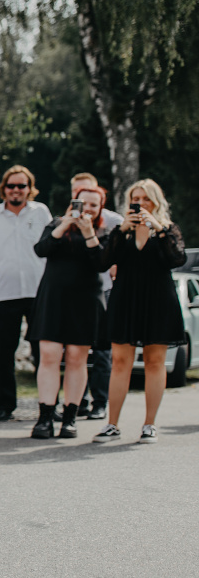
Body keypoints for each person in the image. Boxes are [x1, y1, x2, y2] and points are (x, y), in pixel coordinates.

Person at [94, 179, 186, 445]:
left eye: (146, 199)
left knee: (154, 362)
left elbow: (177, 258)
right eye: (136, 199)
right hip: (126, 299)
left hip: (159, 301)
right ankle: (112, 424)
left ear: (156, 201)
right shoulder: (122, 231)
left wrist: (157, 228)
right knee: (120, 363)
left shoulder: (167, 229)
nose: (141, 204)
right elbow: (102, 261)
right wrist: (121, 230)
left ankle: (149, 425)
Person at [29, 186, 111, 439]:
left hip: (86, 301)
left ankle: (70, 418)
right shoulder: (56, 224)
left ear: (99, 209)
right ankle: (45, 418)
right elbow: (41, 249)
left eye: (93, 205)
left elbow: (101, 263)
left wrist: (88, 234)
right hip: (54, 298)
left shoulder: (104, 233)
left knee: (77, 358)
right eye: (82, 203)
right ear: (73, 203)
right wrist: (64, 226)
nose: (87, 209)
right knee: (49, 356)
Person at [0, 165, 52, 421]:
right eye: (11, 186)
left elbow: (52, 248)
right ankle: (5, 406)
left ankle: (49, 405)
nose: (16, 190)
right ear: (3, 188)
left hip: (39, 291)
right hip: (3, 292)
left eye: (21, 186)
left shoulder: (41, 212)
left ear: (30, 189)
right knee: (5, 352)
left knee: (44, 351)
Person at [69, 172, 122, 420]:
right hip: (74, 293)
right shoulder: (65, 221)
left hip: (104, 290)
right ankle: (77, 401)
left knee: (101, 352)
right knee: (74, 353)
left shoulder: (112, 221)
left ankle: (100, 402)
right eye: (76, 193)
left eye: (87, 194)